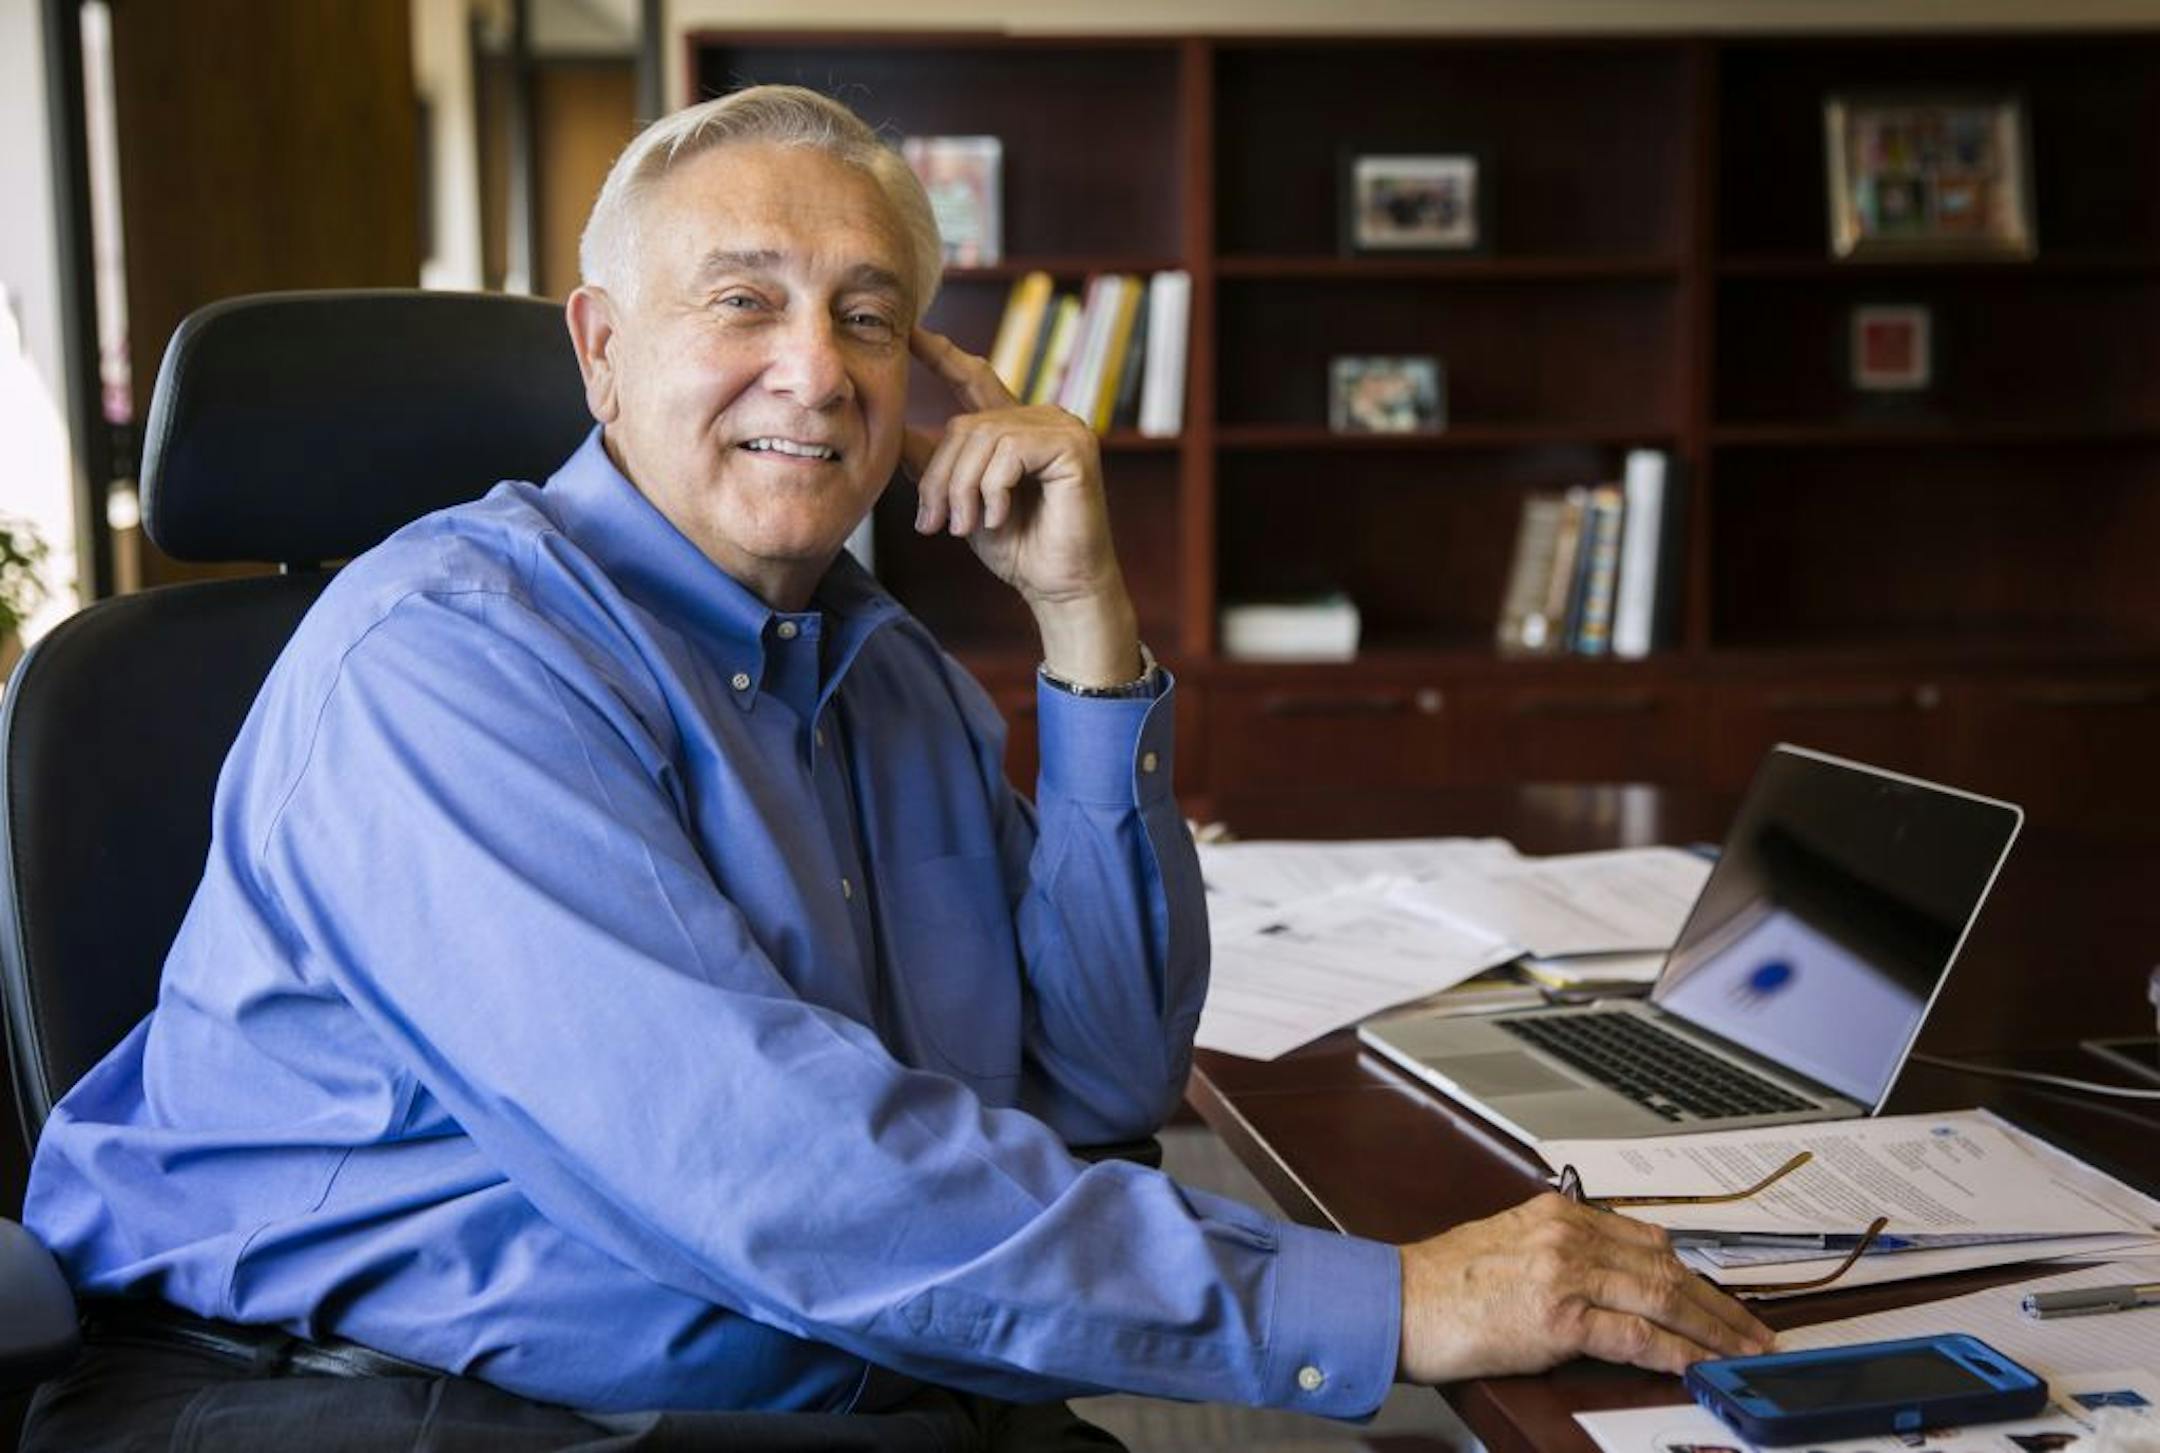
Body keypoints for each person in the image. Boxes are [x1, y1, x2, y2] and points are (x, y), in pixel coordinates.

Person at [20, 85, 1771, 1451]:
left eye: (870, 317)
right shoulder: (447, 664)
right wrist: (1391, 1303)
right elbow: (771, 1169)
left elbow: (1101, 1067)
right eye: (743, 300)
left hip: (849, 1376)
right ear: (602, 346)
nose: (817, 367)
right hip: (368, 1404)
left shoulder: (890, 671)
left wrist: (1086, 623)